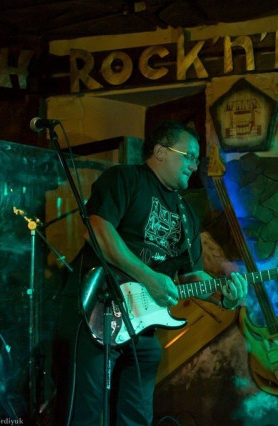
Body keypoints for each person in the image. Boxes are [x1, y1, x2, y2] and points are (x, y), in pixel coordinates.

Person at [53, 120, 248, 425]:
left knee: (136, 417)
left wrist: (224, 296)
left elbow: (192, 276)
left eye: (196, 159)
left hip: (143, 328)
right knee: (86, 413)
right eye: (189, 156)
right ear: (160, 152)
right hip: (98, 312)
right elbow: (97, 231)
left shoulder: (187, 215)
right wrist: (148, 276)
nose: (194, 165)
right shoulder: (125, 179)